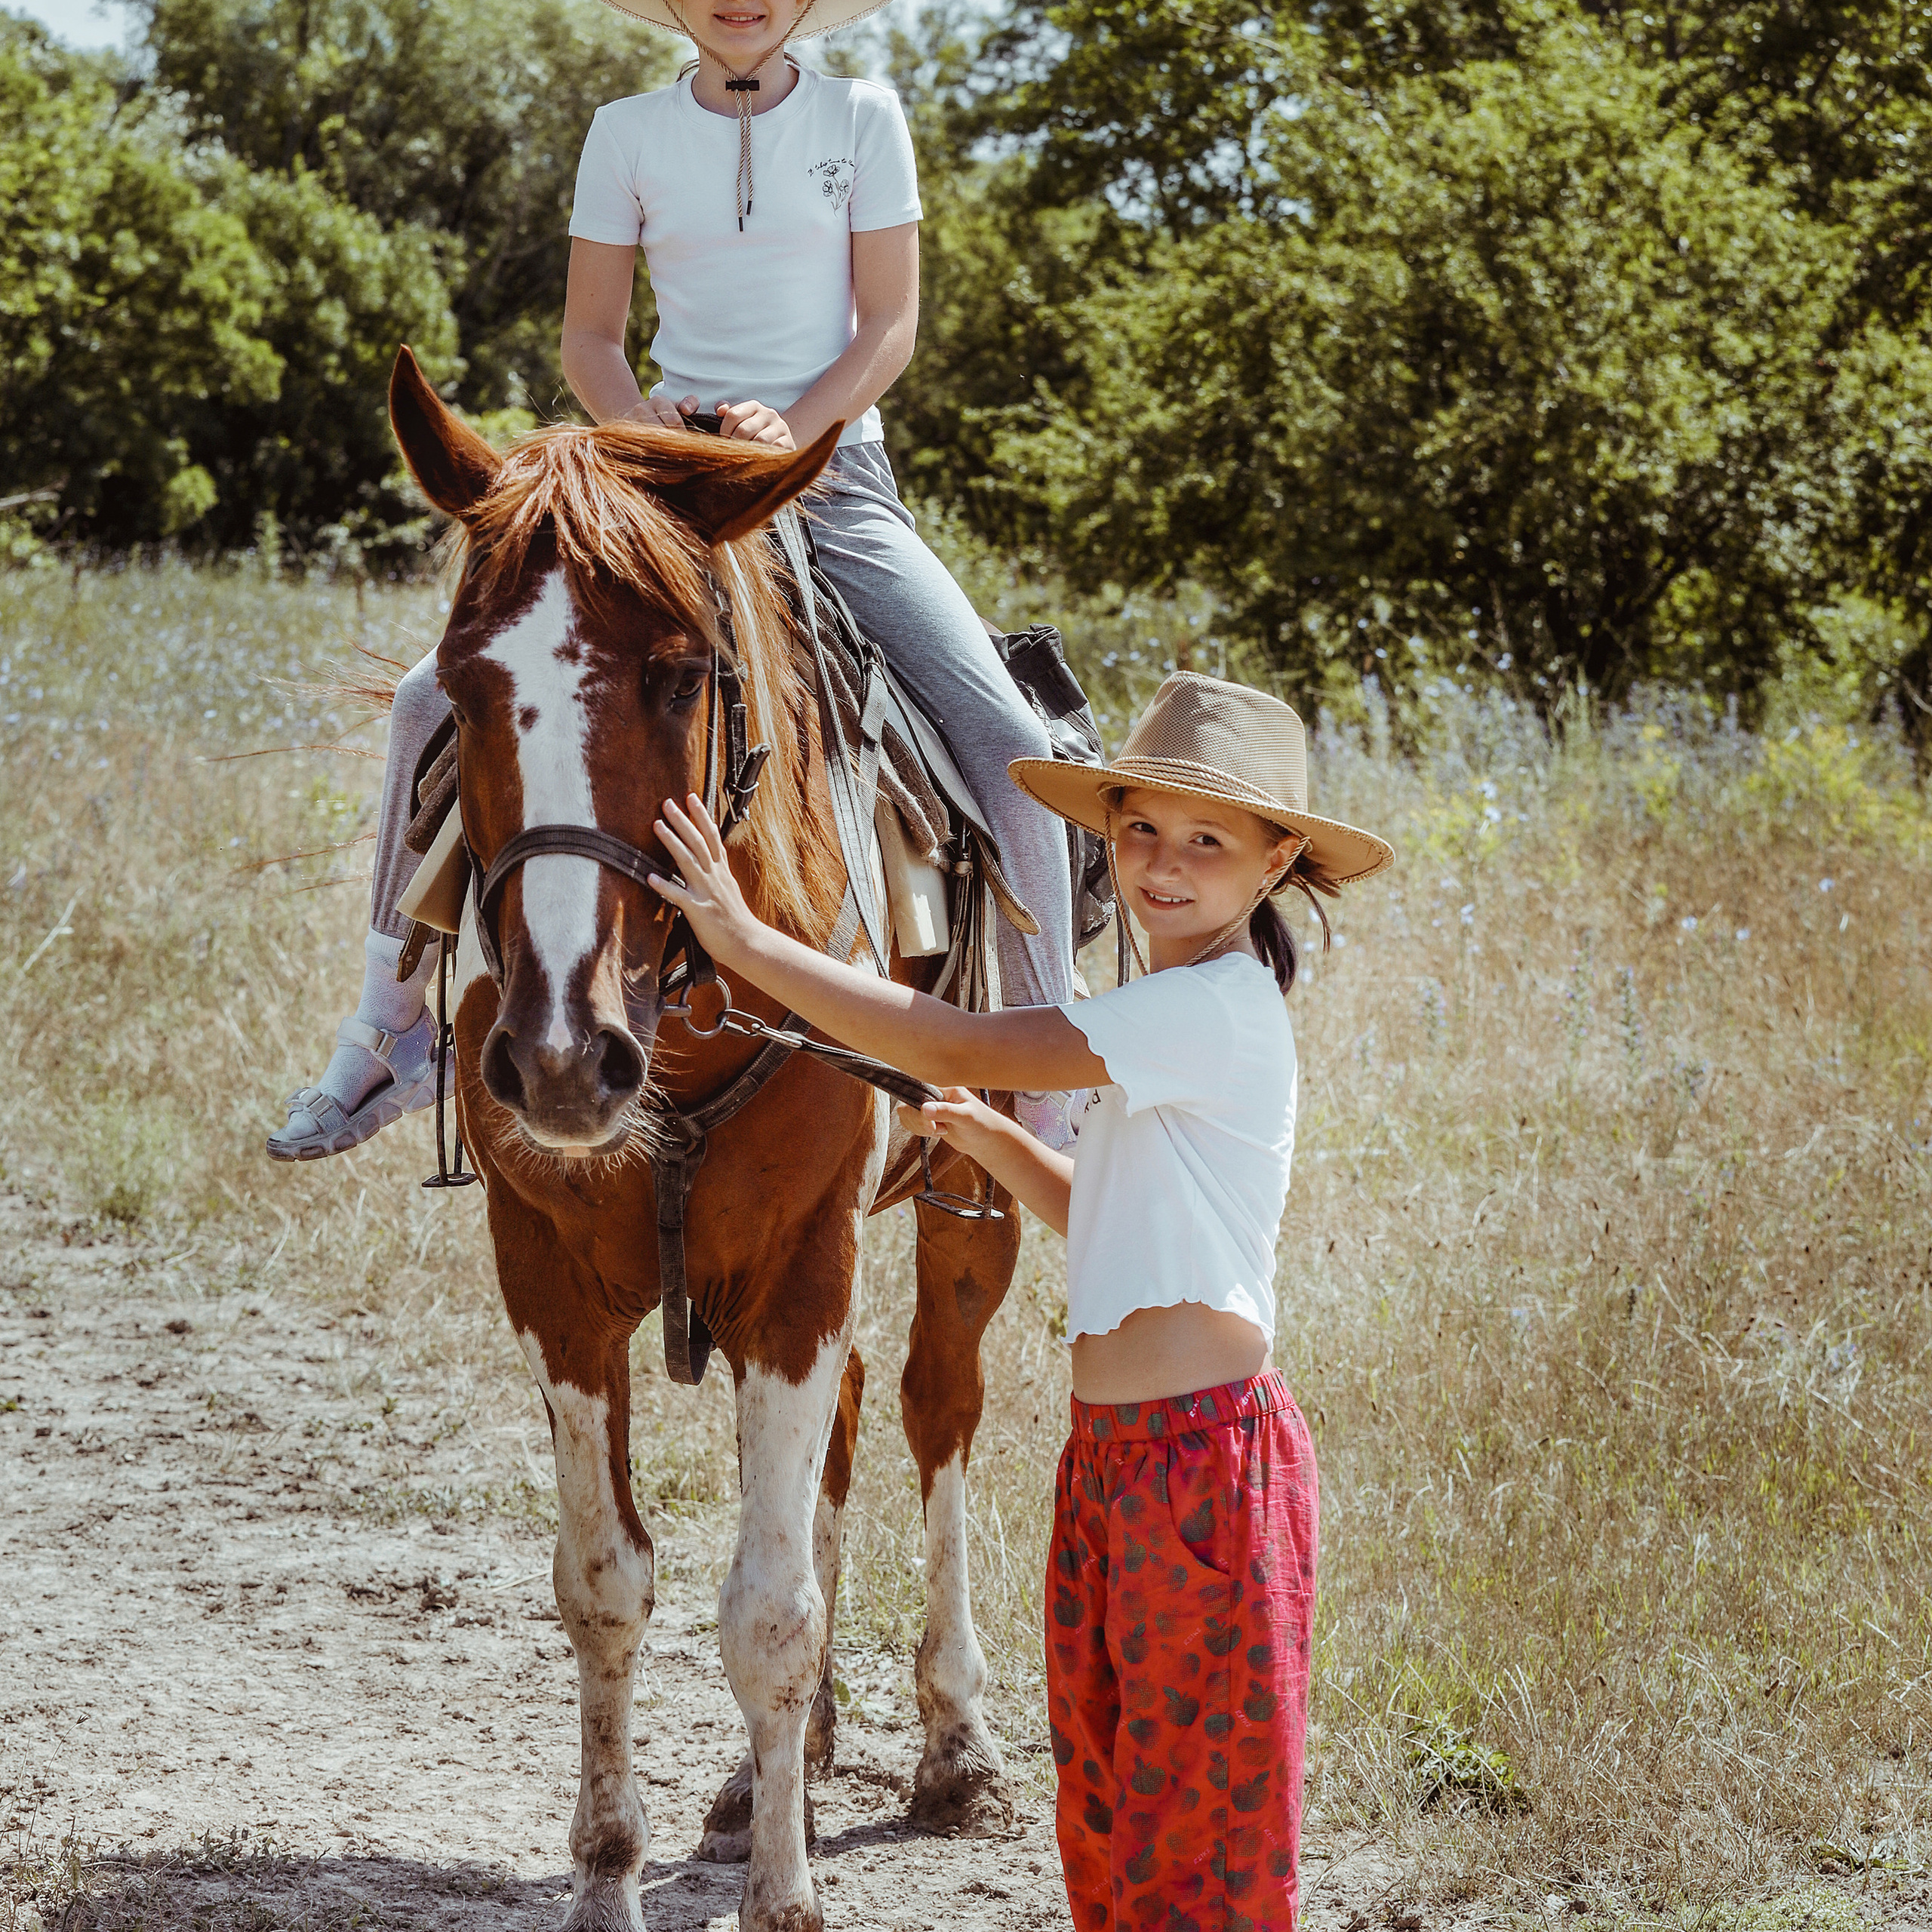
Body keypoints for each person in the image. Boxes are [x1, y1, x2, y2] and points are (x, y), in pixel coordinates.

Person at [642, 669, 1395, 1929]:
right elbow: (1110, 1214)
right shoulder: (1170, 1013)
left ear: (1274, 867)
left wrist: (748, 944)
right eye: (1142, 829)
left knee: (1194, 1824)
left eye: (1209, 840)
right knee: (1104, 1801)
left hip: (1203, 1464)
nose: (1165, 862)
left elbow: (955, 1041)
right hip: (1116, 1460)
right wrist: (1000, 1154)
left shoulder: (1205, 1007)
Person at [267, 0, 1074, 1161]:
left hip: (834, 474)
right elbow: (590, 339)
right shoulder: (626, 128)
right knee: (421, 702)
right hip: (657, 482)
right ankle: (392, 1031)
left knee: (1008, 743)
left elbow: (889, 326)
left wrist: (784, 435)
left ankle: (1049, 1078)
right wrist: (656, 441)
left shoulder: (865, 114)